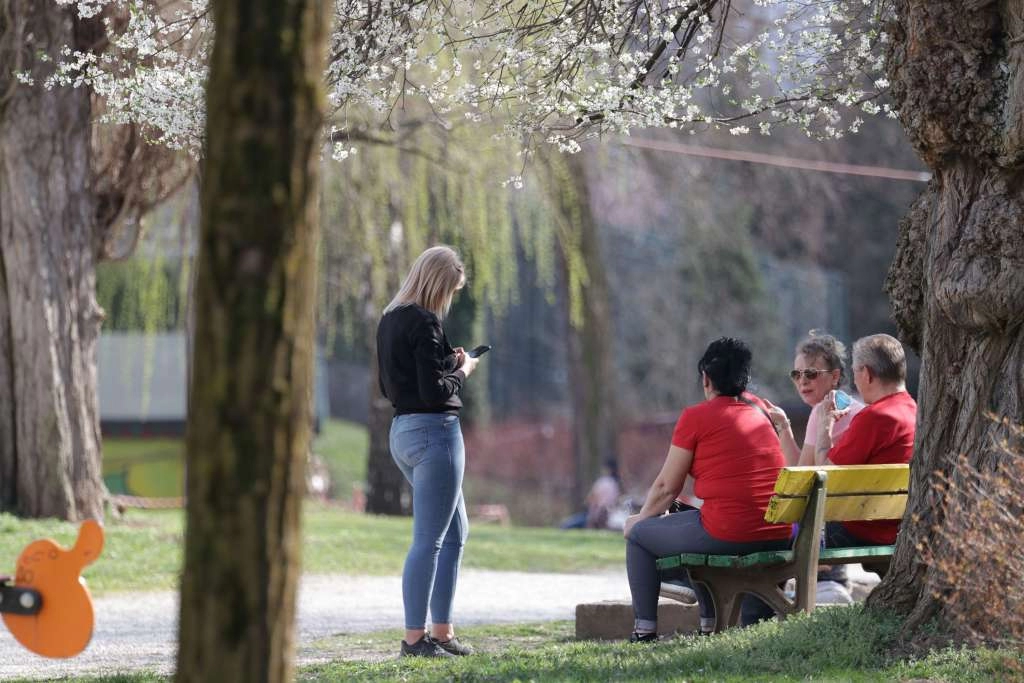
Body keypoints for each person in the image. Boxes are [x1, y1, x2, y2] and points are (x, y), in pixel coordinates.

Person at [623, 338, 792, 640]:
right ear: (744, 378)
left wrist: (640, 520)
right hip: (777, 533)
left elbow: (665, 488)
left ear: (706, 378)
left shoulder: (697, 417)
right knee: (694, 519)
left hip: (728, 532)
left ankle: (644, 631)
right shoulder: (764, 410)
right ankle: (707, 626)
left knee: (639, 538)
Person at [376, 245, 480, 658]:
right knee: (430, 540)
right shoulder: (425, 321)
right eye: (450, 290)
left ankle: (442, 631)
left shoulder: (389, 319)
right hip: (435, 433)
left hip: (402, 431)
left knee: (455, 532)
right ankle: (415, 639)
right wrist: (462, 370)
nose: (449, 300)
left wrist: (444, 361)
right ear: (439, 285)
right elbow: (434, 391)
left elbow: (391, 386)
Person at [816, 333, 916, 551]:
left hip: (866, 530)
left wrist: (825, 425)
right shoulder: (917, 411)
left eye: (854, 372)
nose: (854, 380)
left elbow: (825, 477)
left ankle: (829, 581)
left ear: (867, 374)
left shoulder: (874, 418)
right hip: (905, 526)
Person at [765, 331, 865, 467]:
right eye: (796, 374)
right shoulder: (848, 403)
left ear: (835, 376)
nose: (803, 381)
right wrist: (783, 425)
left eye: (811, 373)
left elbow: (801, 478)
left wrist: (783, 427)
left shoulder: (823, 410)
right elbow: (804, 468)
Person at [560, 460, 623, 530]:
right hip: (607, 518)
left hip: (594, 517)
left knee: (566, 525)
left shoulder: (603, 482)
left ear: (607, 469)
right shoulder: (616, 484)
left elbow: (592, 498)